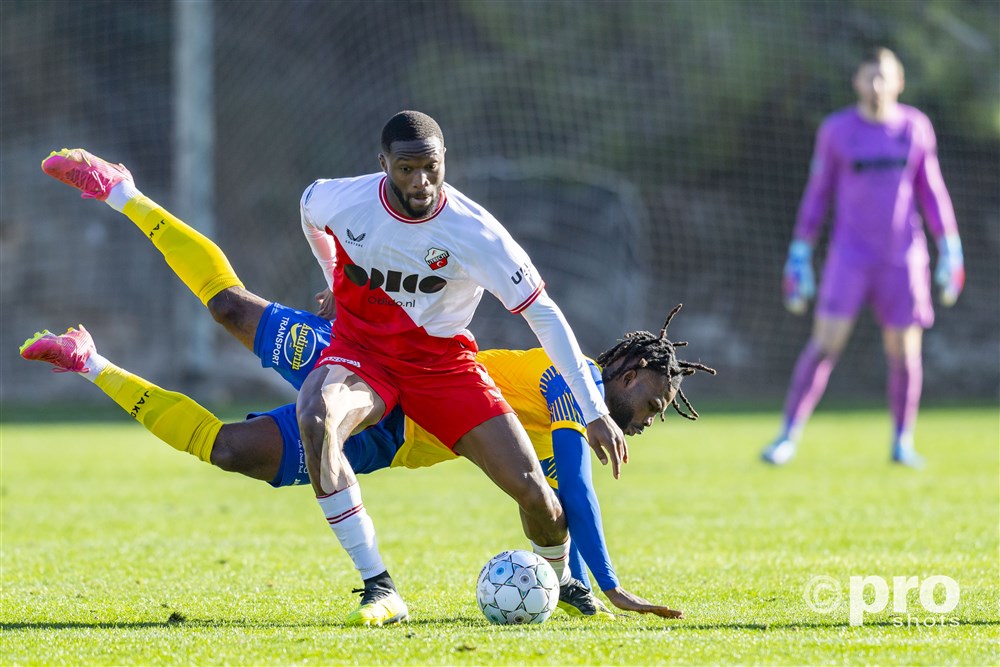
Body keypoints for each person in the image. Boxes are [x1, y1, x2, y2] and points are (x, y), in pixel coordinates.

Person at [40, 116, 627, 627]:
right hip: (357, 353)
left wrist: (596, 412)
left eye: (431, 169)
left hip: (436, 381)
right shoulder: (340, 198)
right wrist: (333, 278)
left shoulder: (478, 235)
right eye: (406, 169)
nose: (420, 182)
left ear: (446, 163)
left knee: (538, 499)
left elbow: (545, 319)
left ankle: (558, 581)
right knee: (251, 340)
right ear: (384, 166)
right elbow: (309, 213)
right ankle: (381, 586)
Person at [21, 304, 714, 620]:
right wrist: (612, 583)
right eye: (655, 400)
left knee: (228, 449)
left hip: (391, 439)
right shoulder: (576, 383)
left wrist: (580, 575)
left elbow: (561, 497)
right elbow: (576, 487)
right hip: (384, 383)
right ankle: (126, 197)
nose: (650, 417)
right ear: (626, 373)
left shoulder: (567, 395)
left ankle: (91, 362)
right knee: (232, 309)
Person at [762, 47, 965, 468]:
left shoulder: (915, 127)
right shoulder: (837, 131)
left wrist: (950, 247)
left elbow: (932, 191)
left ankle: (902, 441)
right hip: (849, 258)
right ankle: (787, 437)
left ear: (899, 82)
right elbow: (818, 194)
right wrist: (800, 252)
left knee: (905, 353)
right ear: (856, 81)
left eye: (884, 77)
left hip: (904, 259)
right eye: (868, 77)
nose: (876, 86)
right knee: (823, 346)